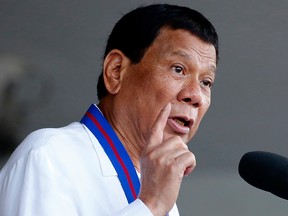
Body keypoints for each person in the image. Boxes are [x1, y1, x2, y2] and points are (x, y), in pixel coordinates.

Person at [0, 3, 218, 216]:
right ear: (116, 71)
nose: (196, 95)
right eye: (178, 69)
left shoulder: (159, 191)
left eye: (206, 82)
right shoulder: (48, 155)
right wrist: (150, 206)